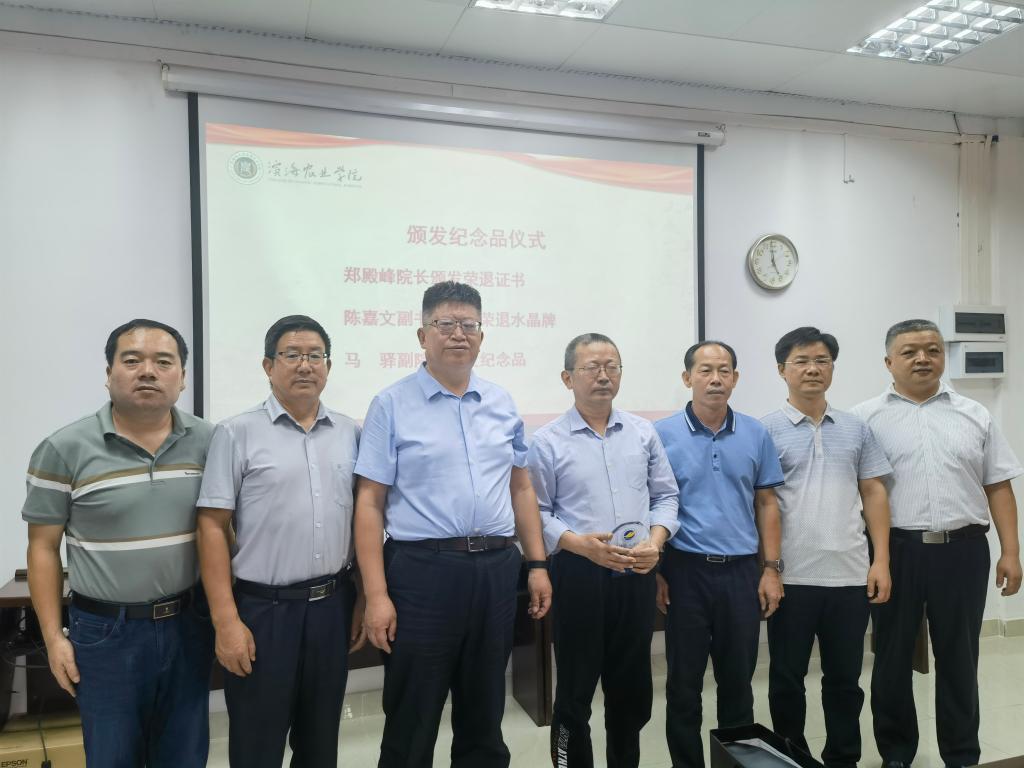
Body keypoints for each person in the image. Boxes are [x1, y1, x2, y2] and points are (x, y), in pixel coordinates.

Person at [354, 281, 553, 768]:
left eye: (468, 325)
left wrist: (537, 564)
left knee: (485, 709)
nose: (458, 334)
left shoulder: (501, 401)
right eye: (445, 324)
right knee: (413, 713)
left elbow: (521, 487)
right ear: (423, 335)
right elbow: (370, 503)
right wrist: (376, 596)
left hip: (496, 570)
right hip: (421, 572)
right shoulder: (391, 404)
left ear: (481, 337)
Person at [23, 319, 214, 767]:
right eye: (132, 360)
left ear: (182, 377)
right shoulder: (63, 448)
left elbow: (223, 530)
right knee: (112, 756)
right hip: (106, 633)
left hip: (189, 622)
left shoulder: (210, 441)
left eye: (163, 362)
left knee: (185, 753)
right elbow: (42, 548)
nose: (148, 371)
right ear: (109, 373)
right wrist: (52, 637)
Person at [196, 315, 364, 768]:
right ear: (268, 366)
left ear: (328, 366)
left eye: (315, 356)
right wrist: (225, 621)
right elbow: (211, 526)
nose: (305, 365)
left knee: (320, 742)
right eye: (292, 355)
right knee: (257, 745)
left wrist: (363, 597)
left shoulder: (349, 432)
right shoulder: (236, 432)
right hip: (263, 612)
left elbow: (363, 520)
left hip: (332, 606)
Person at [853, 319, 1022, 768]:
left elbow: (998, 485)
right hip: (895, 552)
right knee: (891, 659)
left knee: (960, 658)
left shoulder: (974, 413)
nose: (922, 359)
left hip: (963, 551)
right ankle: (896, 754)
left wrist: (1011, 552)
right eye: (909, 352)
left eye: (932, 349)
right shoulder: (864, 419)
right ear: (889, 362)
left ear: (943, 357)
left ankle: (962, 755)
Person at [527, 333, 680, 768]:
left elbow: (666, 496)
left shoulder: (642, 432)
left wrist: (656, 541)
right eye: (592, 367)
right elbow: (536, 511)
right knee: (574, 693)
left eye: (612, 366)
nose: (603, 376)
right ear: (567, 378)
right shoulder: (547, 441)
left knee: (631, 691)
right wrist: (576, 543)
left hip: (635, 573)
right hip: (579, 576)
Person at [761, 326, 892, 768]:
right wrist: (769, 569)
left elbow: (873, 492)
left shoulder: (856, 428)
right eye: (801, 361)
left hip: (849, 575)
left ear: (833, 368)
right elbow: (761, 503)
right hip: (792, 577)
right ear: (782, 370)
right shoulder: (764, 430)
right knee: (785, 680)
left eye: (822, 360)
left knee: (844, 681)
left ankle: (843, 758)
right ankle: (792, 757)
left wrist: (881, 561)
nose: (813, 369)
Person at [654, 340, 785, 768]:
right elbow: (651, 504)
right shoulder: (661, 434)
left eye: (724, 371)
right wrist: (656, 572)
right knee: (683, 686)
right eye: (705, 370)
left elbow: (766, 503)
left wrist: (771, 569)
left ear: (735, 378)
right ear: (687, 377)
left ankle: (735, 762)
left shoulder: (755, 433)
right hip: (684, 572)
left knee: (738, 685)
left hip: (741, 573)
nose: (715, 379)